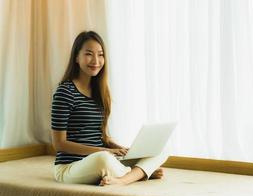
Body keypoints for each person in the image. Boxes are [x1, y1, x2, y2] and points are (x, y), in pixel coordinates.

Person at [51, 31, 168, 186]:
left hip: (100, 159)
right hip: (70, 167)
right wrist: (104, 152)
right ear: (76, 58)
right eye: (89, 54)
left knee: (160, 149)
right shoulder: (65, 92)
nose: (96, 60)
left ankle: (128, 175)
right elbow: (59, 144)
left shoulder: (99, 92)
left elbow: (102, 137)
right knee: (103, 159)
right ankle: (138, 174)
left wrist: (123, 150)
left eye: (100, 55)